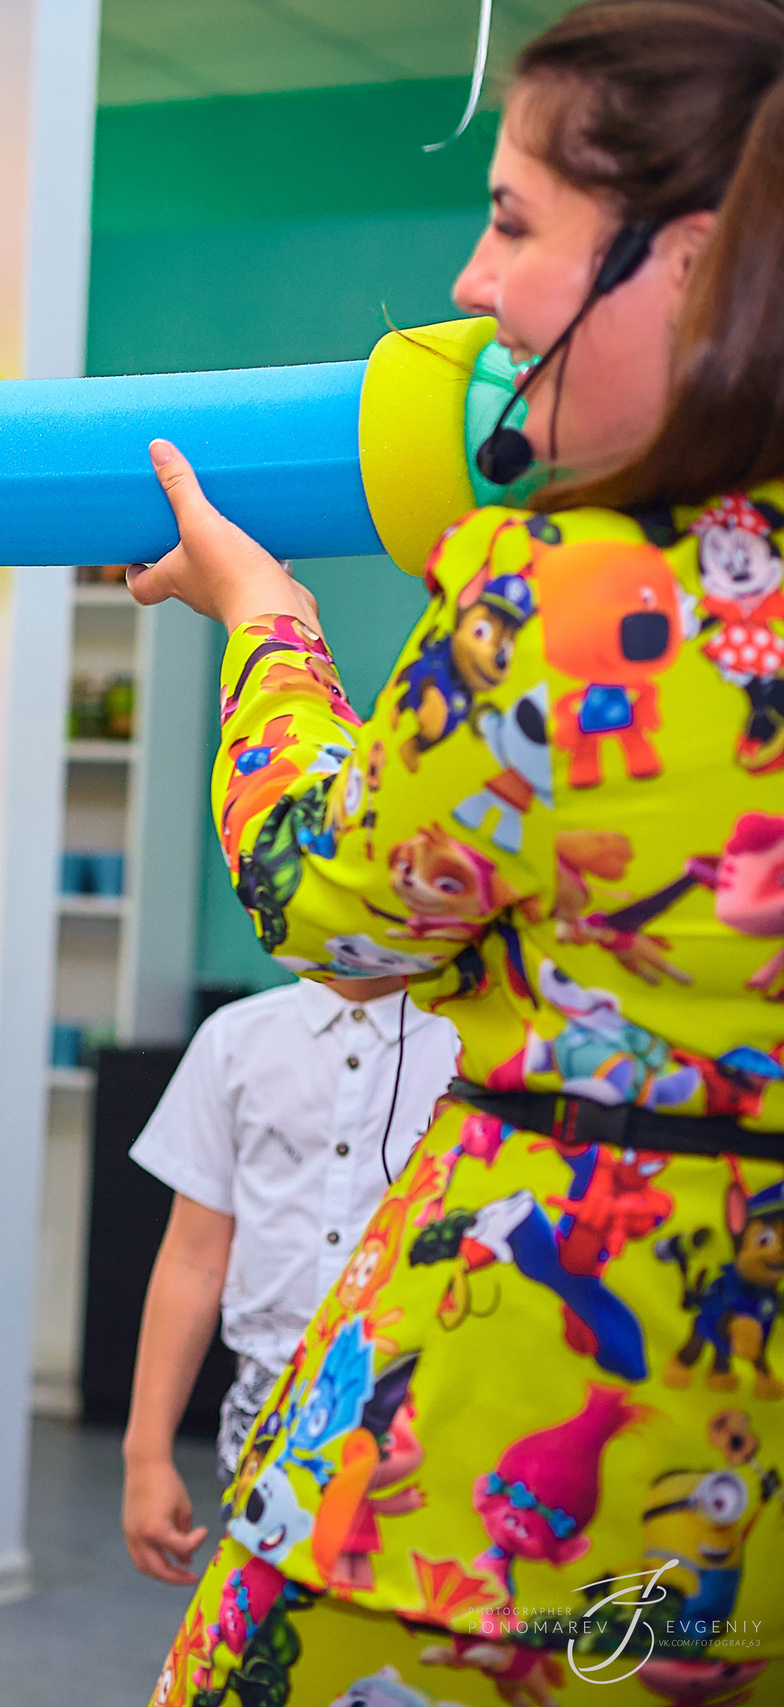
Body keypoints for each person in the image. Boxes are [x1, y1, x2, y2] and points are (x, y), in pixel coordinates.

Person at [133, 3, 784, 1699]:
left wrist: (266, 618)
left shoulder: (555, 591)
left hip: (503, 1433)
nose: (474, 283)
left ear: (695, 261)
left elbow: (334, 906)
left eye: (510, 220)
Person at [121, 974, 459, 1587]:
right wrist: (146, 1455)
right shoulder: (234, 1039)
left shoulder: (473, 1046)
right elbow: (193, 1259)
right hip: (268, 1410)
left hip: (427, 1410)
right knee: (263, 1640)